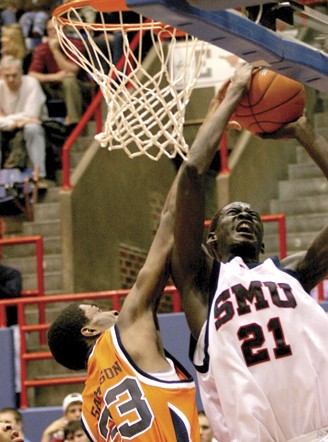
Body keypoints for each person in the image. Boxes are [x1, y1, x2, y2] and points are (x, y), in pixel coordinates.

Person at [45, 70, 235, 440]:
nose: (112, 311)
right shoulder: (124, 329)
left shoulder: (88, 411)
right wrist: (216, 118)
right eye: (98, 312)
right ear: (88, 331)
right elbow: (169, 220)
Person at [171, 59, 328, 441]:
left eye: (252, 214)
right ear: (211, 239)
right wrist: (234, 94)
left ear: (264, 240)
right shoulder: (201, 286)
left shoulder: (293, 275)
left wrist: (304, 131)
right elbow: (190, 174)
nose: (246, 215)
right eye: (233, 212)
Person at [28, 18, 90, 128]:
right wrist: (55, 77)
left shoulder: (75, 44)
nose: (53, 33)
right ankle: (35, 121)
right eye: (50, 30)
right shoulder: (41, 48)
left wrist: (55, 50)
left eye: (56, 29)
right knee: (31, 83)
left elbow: (72, 71)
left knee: (69, 81)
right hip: (54, 86)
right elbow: (32, 75)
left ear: (64, 30)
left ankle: (74, 124)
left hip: (78, 86)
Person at [0, 55, 48, 181]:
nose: (10, 79)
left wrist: (5, 118)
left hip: (38, 127)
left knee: (32, 128)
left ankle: (39, 175)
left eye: (14, 75)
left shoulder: (31, 83)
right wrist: (14, 123)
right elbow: (26, 115)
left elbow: (32, 115)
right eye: (7, 76)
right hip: (9, 129)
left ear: (21, 72)